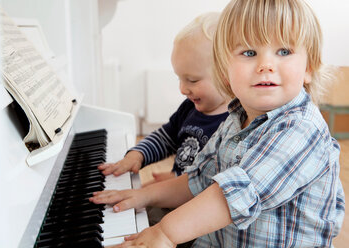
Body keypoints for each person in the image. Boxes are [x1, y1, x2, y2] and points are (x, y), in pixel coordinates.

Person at [90, 0, 345, 247]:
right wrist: (142, 195)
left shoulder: (301, 129)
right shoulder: (236, 119)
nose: (265, 65)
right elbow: (199, 180)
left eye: (284, 51)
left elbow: (234, 195)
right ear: (224, 68)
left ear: (309, 67)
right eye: (249, 52)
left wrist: (166, 233)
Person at [99, 12, 230, 183]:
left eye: (192, 80)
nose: (183, 89)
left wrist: (173, 183)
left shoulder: (234, 123)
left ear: (226, 73)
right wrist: (138, 155)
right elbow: (165, 137)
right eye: (179, 78)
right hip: (173, 192)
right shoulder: (189, 107)